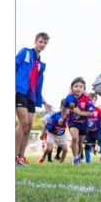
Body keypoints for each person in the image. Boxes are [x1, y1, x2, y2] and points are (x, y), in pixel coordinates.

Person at [15, 32, 53, 166]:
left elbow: (37, 85)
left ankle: (21, 157)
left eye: (45, 43)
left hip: (32, 97)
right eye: (41, 42)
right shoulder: (25, 53)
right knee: (23, 122)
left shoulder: (40, 65)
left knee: (29, 126)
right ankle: (14, 156)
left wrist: (44, 101)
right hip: (20, 91)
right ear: (36, 41)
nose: (42, 45)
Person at [60, 77, 94, 165]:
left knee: (80, 143)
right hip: (72, 122)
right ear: (72, 88)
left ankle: (78, 156)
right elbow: (64, 108)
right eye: (76, 86)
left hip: (83, 123)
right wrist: (62, 118)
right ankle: (75, 159)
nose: (78, 88)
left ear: (83, 89)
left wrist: (80, 113)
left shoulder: (87, 99)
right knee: (75, 138)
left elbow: (90, 113)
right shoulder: (69, 98)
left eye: (80, 86)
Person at [38, 99, 69, 164]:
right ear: (61, 108)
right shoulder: (55, 116)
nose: (67, 110)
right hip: (52, 134)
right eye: (65, 109)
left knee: (65, 149)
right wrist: (42, 135)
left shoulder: (70, 117)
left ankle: (61, 161)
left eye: (68, 108)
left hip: (61, 135)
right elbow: (47, 125)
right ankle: (43, 157)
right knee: (49, 149)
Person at [84, 93, 101, 164]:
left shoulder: (97, 110)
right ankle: (87, 161)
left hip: (97, 130)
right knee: (87, 145)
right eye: (91, 99)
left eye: (94, 100)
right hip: (88, 131)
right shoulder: (84, 110)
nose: (92, 101)